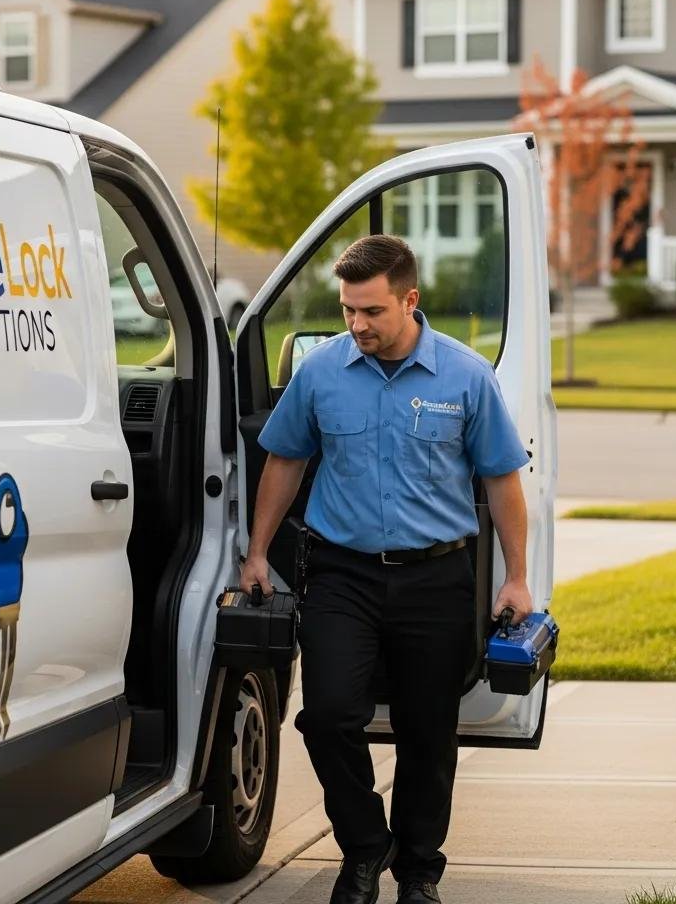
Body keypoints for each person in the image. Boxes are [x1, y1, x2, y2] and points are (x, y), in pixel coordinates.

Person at [240, 235, 531, 904]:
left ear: (409, 299)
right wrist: (257, 553)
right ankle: (366, 847)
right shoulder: (322, 373)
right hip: (341, 576)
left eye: (371, 310)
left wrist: (515, 577)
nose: (357, 324)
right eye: (347, 309)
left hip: (436, 580)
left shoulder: (466, 377)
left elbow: (502, 480)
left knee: (428, 733)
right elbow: (284, 461)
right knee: (327, 717)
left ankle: (419, 873)